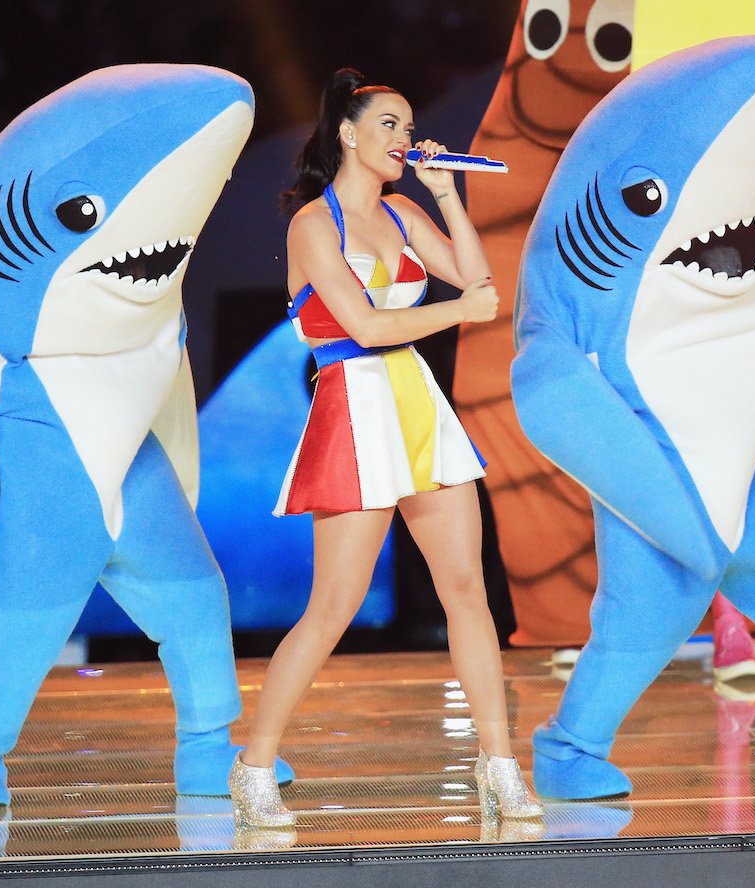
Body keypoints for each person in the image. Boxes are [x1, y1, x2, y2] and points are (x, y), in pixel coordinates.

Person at [227, 68, 542, 828]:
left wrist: (441, 194)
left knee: (467, 590)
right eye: (390, 127)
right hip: (352, 408)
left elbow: (477, 281)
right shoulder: (313, 223)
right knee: (332, 607)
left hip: (415, 408)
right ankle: (253, 763)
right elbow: (365, 329)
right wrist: (460, 311)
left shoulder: (404, 210)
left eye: (407, 127)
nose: (405, 139)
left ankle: (498, 765)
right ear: (348, 133)